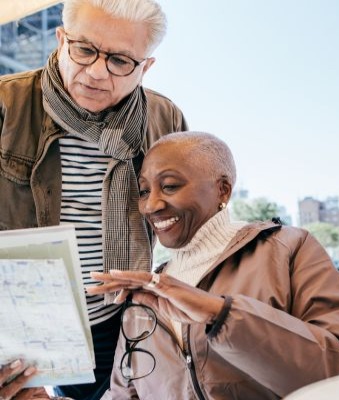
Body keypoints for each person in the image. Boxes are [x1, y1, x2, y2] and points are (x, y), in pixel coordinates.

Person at [88, 131, 339, 399]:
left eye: (170, 186)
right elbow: (124, 394)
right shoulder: (145, 295)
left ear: (223, 190)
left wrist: (221, 314)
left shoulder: (288, 250)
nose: (151, 205)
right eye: (143, 191)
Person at [0, 0, 187, 398]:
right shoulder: (6, 105)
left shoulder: (164, 119)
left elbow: (190, 224)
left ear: (146, 67)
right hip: (14, 320)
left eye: (120, 60)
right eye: (83, 50)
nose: (96, 72)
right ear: (60, 39)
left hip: (115, 317)